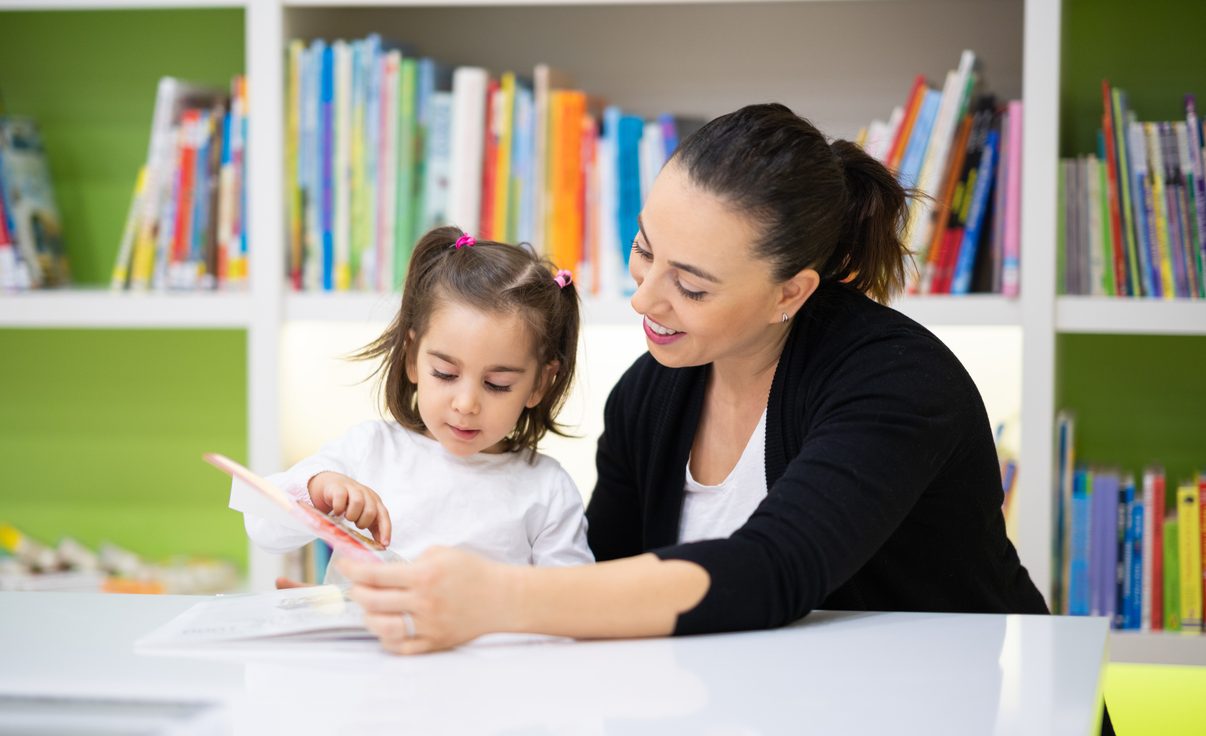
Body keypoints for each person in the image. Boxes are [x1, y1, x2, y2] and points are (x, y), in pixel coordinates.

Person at [338, 102, 1049, 654]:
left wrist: (499, 598)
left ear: (790, 294)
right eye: (644, 249)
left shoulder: (895, 382)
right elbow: (606, 593)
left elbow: (772, 573)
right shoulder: (650, 394)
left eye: (693, 287)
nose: (644, 299)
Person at [235, 226, 593, 576]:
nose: (466, 403)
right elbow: (263, 528)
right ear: (412, 359)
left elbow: (571, 604)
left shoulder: (546, 489)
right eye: (445, 373)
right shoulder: (369, 451)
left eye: (497, 384)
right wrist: (319, 490)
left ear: (540, 384)